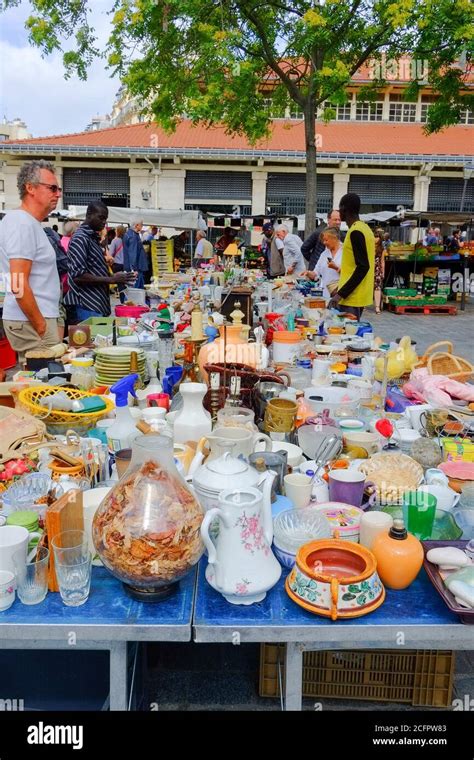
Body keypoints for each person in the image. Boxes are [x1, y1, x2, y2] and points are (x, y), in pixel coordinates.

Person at [0, 159, 62, 364]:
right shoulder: (22, 222)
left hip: (32, 318)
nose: (58, 194)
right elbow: (17, 281)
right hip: (31, 320)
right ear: (30, 188)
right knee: (44, 386)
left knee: (38, 384)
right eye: (52, 188)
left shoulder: (28, 223)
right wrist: (40, 323)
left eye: (58, 189)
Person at [65, 200, 136, 321]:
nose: (104, 222)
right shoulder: (80, 238)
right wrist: (111, 279)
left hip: (97, 305)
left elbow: (94, 269)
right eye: (101, 218)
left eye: (105, 219)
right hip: (86, 305)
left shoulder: (92, 238)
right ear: (88, 215)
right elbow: (78, 276)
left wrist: (114, 276)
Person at [328, 192, 375, 320]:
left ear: (344, 209)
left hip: (352, 297)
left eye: (339, 208)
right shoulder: (365, 229)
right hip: (357, 294)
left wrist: (340, 294)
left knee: (348, 334)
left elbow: (363, 266)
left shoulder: (356, 232)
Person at [304, 227, 342, 298]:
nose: (324, 243)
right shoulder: (324, 254)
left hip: (341, 295)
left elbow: (351, 274)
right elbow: (316, 273)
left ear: (334, 238)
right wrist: (308, 273)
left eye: (326, 240)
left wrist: (336, 267)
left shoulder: (346, 251)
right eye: (323, 240)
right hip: (326, 295)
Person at [123, 216, 149, 288]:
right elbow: (132, 254)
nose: (142, 226)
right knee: (135, 292)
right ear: (137, 225)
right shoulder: (133, 236)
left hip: (133, 269)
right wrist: (134, 269)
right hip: (136, 270)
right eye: (142, 224)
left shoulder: (129, 234)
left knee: (133, 292)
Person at [373, 228, 385, 315]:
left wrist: (383, 272)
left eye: (377, 237)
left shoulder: (382, 249)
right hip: (368, 269)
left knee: (377, 288)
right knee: (367, 287)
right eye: (375, 236)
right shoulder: (368, 247)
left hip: (377, 270)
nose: (376, 238)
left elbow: (382, 261)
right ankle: (364, 305)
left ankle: (377, 307)